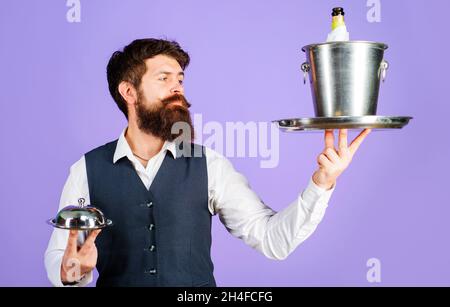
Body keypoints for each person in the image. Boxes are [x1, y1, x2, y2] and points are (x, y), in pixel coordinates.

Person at [44, 38, 371, 287]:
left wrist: (322, 183)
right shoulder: (87, 170)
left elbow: (272, 239)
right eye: (163, 78)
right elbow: (63, 257)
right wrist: (75, 271)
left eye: (180, 79)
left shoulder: (209, 166)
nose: (177, 87)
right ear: (129, 92)